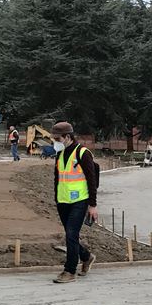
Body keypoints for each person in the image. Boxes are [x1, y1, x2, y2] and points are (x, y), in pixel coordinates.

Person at [49, 121, 98, 283]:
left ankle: (69, 271)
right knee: (71, 236)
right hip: (63, 201)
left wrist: (92, 205)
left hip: (79, 201)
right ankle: (86, 256)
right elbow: (57, 178)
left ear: (68, 137)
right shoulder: (60, 154)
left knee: (71, 234)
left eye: (57, 139)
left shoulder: (83, 153)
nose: (55, 142)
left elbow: (92, 180)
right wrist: (57, 198)